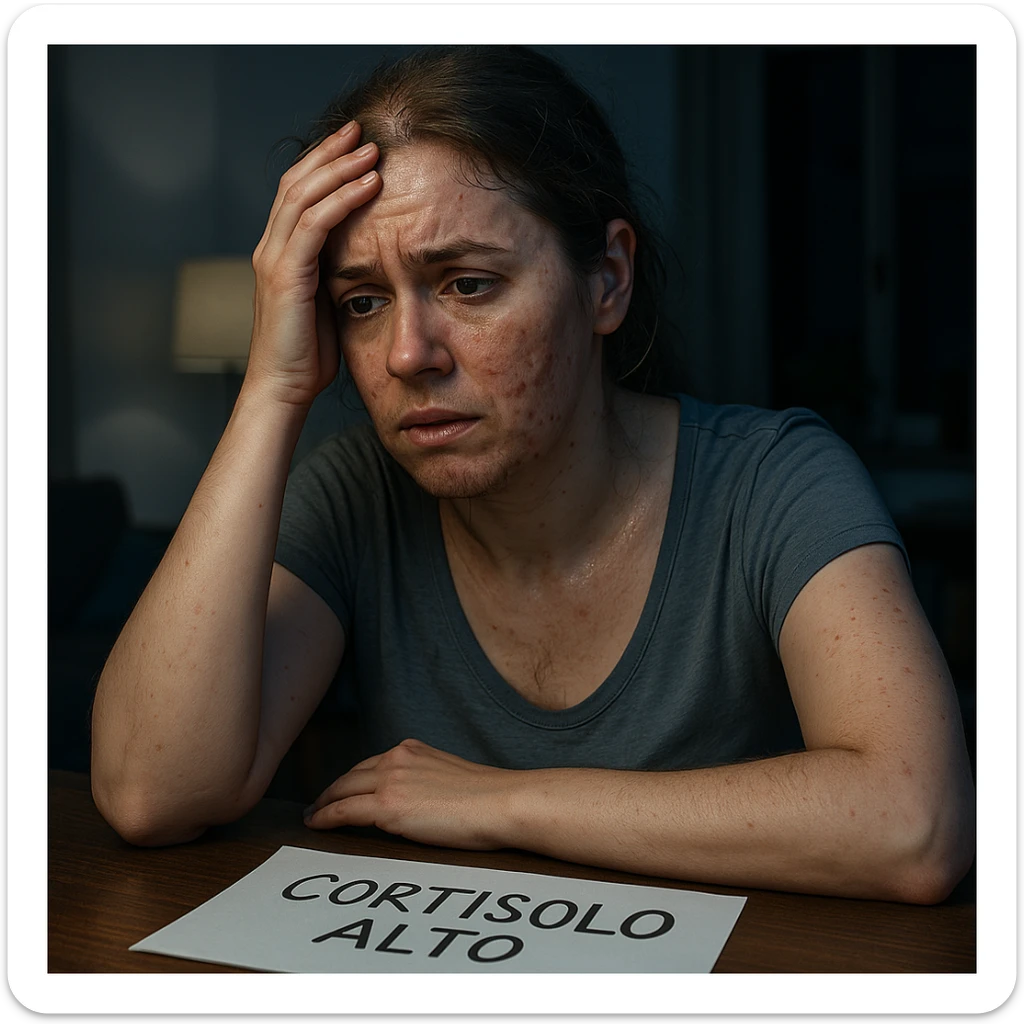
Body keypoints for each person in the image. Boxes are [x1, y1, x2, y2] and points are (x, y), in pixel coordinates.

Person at [90, 46, 975, 904]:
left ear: (608, 279)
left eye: (469, 284)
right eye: (362, 302)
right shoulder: (360, 491)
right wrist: (273, 386)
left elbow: (914, 823)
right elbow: (151, 793)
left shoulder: (775, 483)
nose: (407, 354)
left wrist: (504, 800)